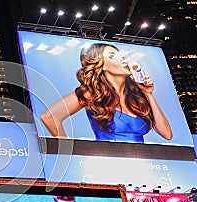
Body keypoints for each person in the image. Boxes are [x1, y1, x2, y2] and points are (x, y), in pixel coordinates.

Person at [40, 43, 172, 143]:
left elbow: (167, 134)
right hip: (109, 168)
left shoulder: (136, 95)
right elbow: (49, 117)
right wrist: (71, 152)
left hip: (144, 166)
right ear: (101, 64)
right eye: (112, 56)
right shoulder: (91, 94)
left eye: (121, 56)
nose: (122, 60)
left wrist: (148, 94)